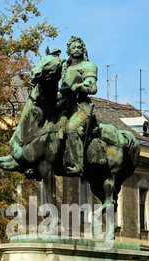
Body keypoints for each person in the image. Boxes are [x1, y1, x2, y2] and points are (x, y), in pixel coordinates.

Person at [59, 36, 98, 176]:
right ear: (68, 49)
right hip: (64, 107)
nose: (76, 50)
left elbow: (92, 88)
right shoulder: (65, 68)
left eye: (79, 47)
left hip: (81, 107)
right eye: (73, 47)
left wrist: (76, 87)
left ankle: (78, 165)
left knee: (71, 129)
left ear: (84, 50)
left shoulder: (89, 66)